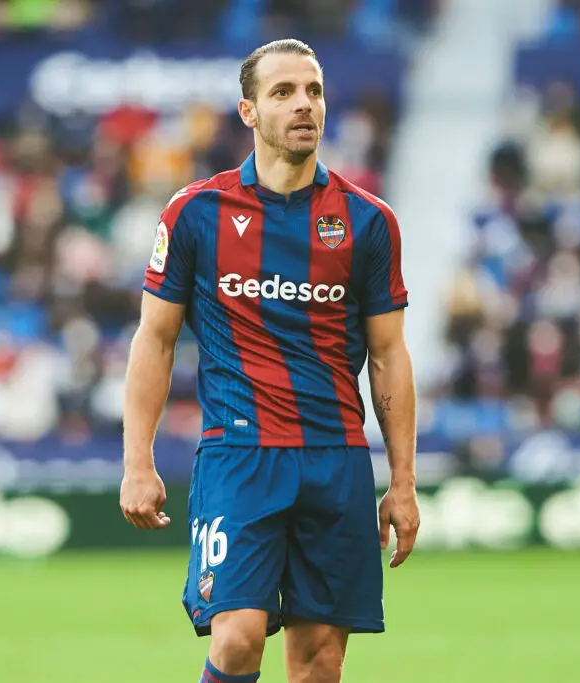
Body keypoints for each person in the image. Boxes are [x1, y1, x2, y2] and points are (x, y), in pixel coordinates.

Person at [119, 38, 419, 683]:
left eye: (313, 91)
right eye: (283, 92)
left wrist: (403, 481)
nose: (303, 104)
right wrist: (138, 462)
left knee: (320, 660)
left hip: (336, 457)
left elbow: (389, 353)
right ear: (249, 112)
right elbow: (155, 339)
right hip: (239, 455)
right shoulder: (196, 213)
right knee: (236, 638)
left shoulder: (368, 221)